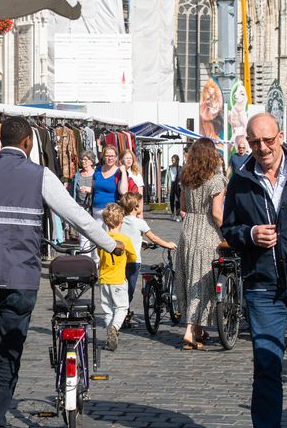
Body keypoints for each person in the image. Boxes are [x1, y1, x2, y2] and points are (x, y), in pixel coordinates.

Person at [0, 118, 124, 427]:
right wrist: (109, 244)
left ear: (1, 141)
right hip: (19, 277)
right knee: (10, 348)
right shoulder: (40, 175)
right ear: (28, 142)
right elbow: (77, 216)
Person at [222, 112, 287, 428]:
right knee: (266, 364)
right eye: (255, 141)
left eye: (268, 139)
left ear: (281, 136)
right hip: (262, 286)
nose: (263, 147)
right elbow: (229, 228)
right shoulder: (241, 179)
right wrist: (249, 234)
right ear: (247, 142)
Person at [174, 138, 227, 350]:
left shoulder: (186, 178)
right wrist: (227, 232)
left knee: (188, 278)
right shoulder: (217, 180)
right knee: (201, 281)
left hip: (188, 230)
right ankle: (190, 329)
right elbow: (216, 213)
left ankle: (197, 330)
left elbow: (183, 207)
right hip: (207, 231)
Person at [118, 192, 177, 327]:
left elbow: (127, 236)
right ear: (135, 207)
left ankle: (121, 312)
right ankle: (123, 313)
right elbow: (154, 238)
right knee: (130, 289)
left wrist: (140, 241)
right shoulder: (140, 222)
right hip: (133, 261)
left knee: (121, 286)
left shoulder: (121, 221)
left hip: (121, 260)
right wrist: (168, 244)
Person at [97, 203, 136, 351]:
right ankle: (114, 328)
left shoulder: (102, 238)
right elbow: (132, 257)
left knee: (107, 310)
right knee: (122, 307)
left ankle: (109, 335)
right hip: (118, 279)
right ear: (121, 220)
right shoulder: (124, 240)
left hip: (103, 279)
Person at [91, 145, 129, 223]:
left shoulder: (119, 172)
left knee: (110, 234)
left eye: (112, 156)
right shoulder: (97, 170)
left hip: (112, 211)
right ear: (103, 157)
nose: (110, 158)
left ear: (116, 157)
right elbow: (93, 188)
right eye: (107, 156)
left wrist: (124, 172)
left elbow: (123, 191)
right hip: (96, 209)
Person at [72, 150, 96, 251]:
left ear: (91, 161)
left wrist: (89, 190)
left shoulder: (96, 174)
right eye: (82, 159)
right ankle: (84, 253)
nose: (83, 162)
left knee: (94, 231)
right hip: (80, 206)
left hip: (93, 207)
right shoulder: (77, 175)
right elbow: (73, 191)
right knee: (83, 233)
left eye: (86, 159)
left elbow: (98, 189)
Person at [120, 149, 144, 217]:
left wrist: (140, 212)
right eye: (126, 158)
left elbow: (140, 194)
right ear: (122, 159)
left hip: (134, 207)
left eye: (130, 158)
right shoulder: (118, 173)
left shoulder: (137, 175)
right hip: (122, 207)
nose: (129, 160)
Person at [167, 154, 182, 222]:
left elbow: (181, 177)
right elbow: (167, 178)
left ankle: (178, 214)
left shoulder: (180, 168)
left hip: (178, 184)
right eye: (172, 160)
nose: (173, 161)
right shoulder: (169, 167)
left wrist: (181, 183)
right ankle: (173, 213)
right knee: (171, 199)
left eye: (174, 160)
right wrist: (166, 186)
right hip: (172, 183)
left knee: (178, 200)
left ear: (177, 160)